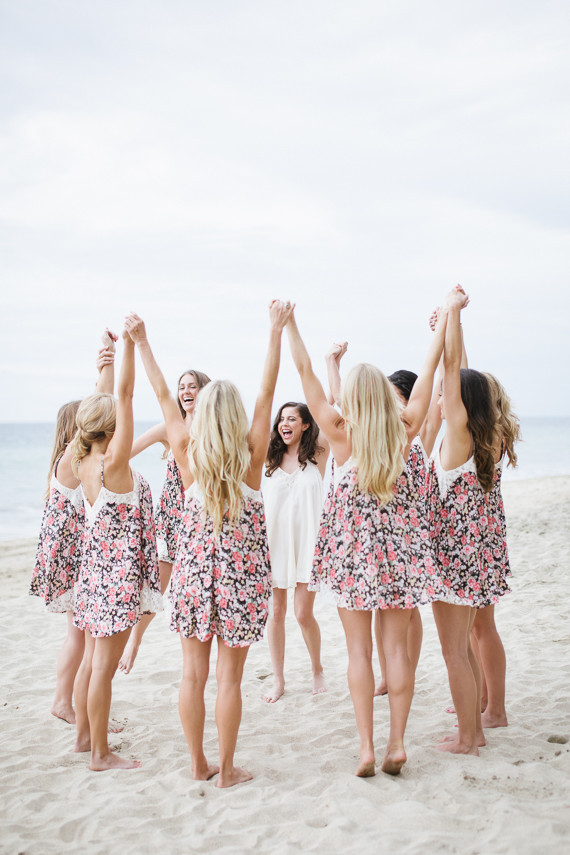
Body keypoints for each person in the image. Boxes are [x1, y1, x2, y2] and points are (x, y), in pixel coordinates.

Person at [124, 300, 292, 788]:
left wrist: (141, 342)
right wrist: (276, 330)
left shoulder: (186, 453)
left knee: (192, 676)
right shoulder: (252, 458)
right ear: (235, 415)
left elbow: (159, 392)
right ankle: (227, 771)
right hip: (240, 581)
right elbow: (266, 391)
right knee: (230, 680)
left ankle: (198, 764)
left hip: (194, 577)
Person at [285, 301, 447, 777]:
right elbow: (429, 367)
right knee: (396, 651)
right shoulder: (406, 429)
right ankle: (397, 742)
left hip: (352, 561)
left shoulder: (338, 432)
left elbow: (304, 370)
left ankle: (366, 749)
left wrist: (289, 323)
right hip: (400, 560)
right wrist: (447, 321)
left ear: (352, 398)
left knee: (359, 653)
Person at [71, 327, 162, 771]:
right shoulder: (114, 466)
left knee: (92, 661)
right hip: (116, 579)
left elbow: (110, 398)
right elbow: (123, 395)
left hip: (93, 575)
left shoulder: (82, 460)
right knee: (103, 669)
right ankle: (101, 755)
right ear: (111, 428)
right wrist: (130, 344)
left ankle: (84, 738)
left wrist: (104, 362)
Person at [429, 286, 510, 756]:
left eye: (447, 392)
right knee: (470, 641)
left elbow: (452, 370)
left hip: (454, 559)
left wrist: (451, 317)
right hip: (478, 553)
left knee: (454, 650)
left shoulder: (458, 438)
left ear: (460, 400)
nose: (441, 395)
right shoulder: (485, 435)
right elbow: (461, 372)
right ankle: (481, 718)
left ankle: (469, 736)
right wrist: (450, 324)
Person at [29, 330, 117, 724]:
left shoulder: (65, 464)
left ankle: (71, 700)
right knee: (77, 636)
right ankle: (63, 701)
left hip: (64, 558)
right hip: (69, 561)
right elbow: (102, 405)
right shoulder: (70, 459)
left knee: (79, 635)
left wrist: (106, 362)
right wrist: (106, 367)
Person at [119, 367, 210, 673]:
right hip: (171, 519)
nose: (186, 391)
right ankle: (134, 640)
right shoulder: (169, 428)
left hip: (203, 520)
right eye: (182, 386)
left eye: (193, 386)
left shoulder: (214, 430)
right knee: (158, 585)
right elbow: (125, 453)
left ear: (204, 391)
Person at [262, 401, 329, 702]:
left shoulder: (319, 453)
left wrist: (332, 365)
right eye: (281, 419)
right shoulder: (268, 457)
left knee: (303, 614)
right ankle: (278, 680)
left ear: (305, 425)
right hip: (274, 544)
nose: (284, 423)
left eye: (293, 419)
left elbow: (331, 409)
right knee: (275, 612)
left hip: (307, 545)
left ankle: (317, 668)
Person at [469, 372, 520, 728]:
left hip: (479, 538)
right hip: (484, 535)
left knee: (484, 626)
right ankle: (482, 698)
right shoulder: (485, 432)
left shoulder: (489, 434)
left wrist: (453, 327)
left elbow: (463, 376)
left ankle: (496, 710)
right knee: (475, 627)